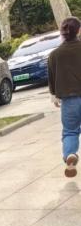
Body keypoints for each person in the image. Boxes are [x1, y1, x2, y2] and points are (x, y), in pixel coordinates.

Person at [48, 16, 81, 177]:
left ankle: (70, 155)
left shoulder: (54, 55)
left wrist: (54, 96)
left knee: (70, 131)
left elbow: (51, 77)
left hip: (69, 99)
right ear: (79, 31)